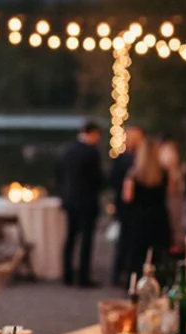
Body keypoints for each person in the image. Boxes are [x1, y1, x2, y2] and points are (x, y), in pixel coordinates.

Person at [58, 120, 105, 287]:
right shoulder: (91, 153)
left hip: (70, 201)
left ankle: (67, 273)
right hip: (86, 202)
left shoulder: (68, 150)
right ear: (92, 133)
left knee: (70, 237)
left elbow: (59, 175)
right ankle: (83, 276)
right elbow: (97, 179)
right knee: (86, 240)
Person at [124, 137, 171, 283]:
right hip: (158, 216)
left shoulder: (134, 174)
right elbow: (169, 194)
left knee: (137, 254)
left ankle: (135, 283)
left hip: (139, 217)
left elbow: (127, 197)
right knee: (157, 255)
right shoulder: (163, 173)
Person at [109, 123, 144, 285]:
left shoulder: (126, 159)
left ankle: (121, 272)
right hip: (129, 206)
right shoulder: (129, 160)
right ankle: (122, 272)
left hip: (131, 206)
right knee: (126, 241)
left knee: (126, 241)